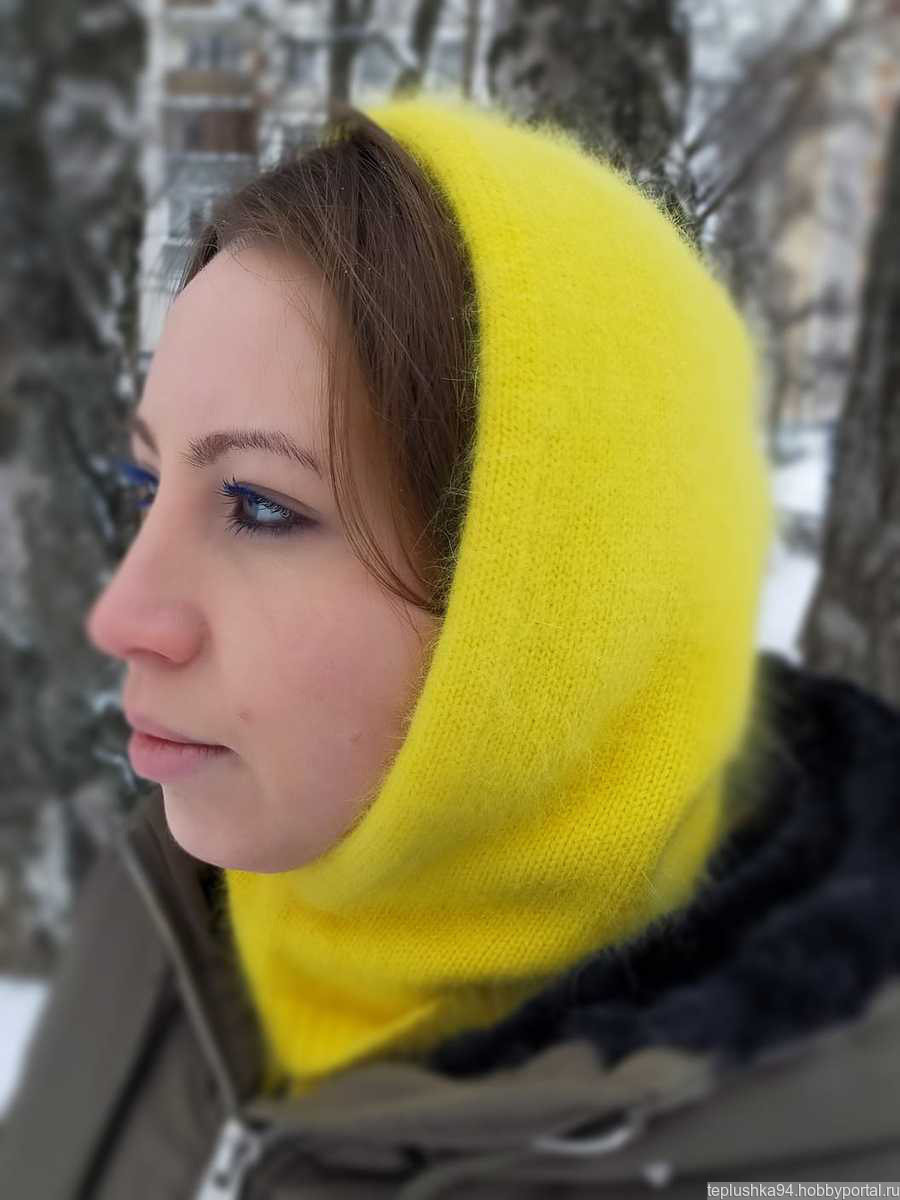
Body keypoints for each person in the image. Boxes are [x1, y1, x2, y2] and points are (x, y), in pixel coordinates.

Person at [2, 90, 899, 1199]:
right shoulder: (168, 905)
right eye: (151, 486)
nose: (122, 616)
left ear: (553, 607)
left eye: (259, 506)